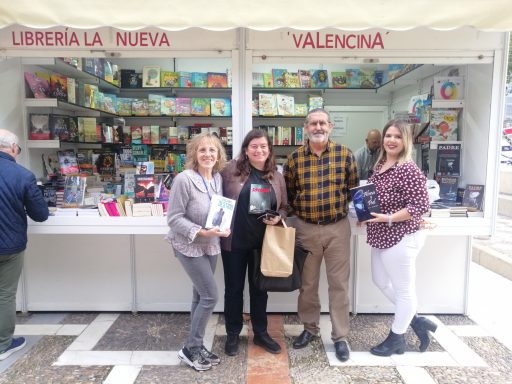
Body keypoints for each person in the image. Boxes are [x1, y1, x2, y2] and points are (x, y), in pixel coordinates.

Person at [283, 108, 359, 362]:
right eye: (313, 123)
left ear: (330, 126)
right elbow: (290, 195)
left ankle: (340, 337)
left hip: (338, 228)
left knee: (339, 285)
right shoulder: (294, 159)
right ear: (305, 128)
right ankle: (309, 329)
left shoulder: (345, 155)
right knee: (308, 285)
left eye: (322, 123)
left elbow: (352, 191)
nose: (318, 127)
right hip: (305, 229)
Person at [363, 119, 435, 356]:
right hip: (381, 234)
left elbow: (421, 204)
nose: (391, 140)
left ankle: (397, 337)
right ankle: (416, 321)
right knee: (380, 281)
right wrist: (364, 213)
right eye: (388, 136)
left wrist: (389, 218)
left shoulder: (408, 168)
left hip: (402, 235)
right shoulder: (381, 164)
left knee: (404, 290)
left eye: (397, 136)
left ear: (406, 141)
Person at [166, 132, 230, 371]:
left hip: (211, 245)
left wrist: (221, 229)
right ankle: (190, 347)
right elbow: (173, 219)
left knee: (199, 296)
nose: (208, 154)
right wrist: (201, 232)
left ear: (218, 154)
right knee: (211, 296)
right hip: (189, 245)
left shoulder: (217, 179)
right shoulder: (184, 179)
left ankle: (196, 345)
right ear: (194, 153)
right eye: (202, 150)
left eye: (212, 150)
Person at [221, 129, 288, 356]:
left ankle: (260, 333)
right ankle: (232, 334)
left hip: (263, 244)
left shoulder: (276, 176)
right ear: (246, 150)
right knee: (233, 290)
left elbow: (285, 206)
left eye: (263, 146)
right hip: (234, 242)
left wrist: (279, 216)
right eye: (254, 146)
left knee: (260, 291)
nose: (259, 150)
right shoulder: (230, 170)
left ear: (269, 150)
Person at [0, 129, 49, 361]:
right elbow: (40, 215)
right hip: (9, 245)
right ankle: (2, 344)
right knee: (5, 294)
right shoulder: (23, 175)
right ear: (13, 148)